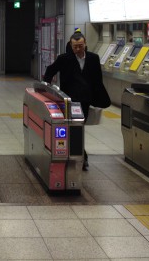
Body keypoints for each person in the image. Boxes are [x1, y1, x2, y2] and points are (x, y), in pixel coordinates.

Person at [43, 31, 111, 170]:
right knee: (74, 128)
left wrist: (98, 99)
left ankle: (78, 154)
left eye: (80, 46)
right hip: (70, 100)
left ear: (85, 44)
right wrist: (46, 87)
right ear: (71, 45)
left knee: (78, 127)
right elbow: (50, 70)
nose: (78, 49)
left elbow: (98, 80)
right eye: (75, 47)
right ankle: (81, 156)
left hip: (85, 100)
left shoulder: (93, 58)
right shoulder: (64, 58)